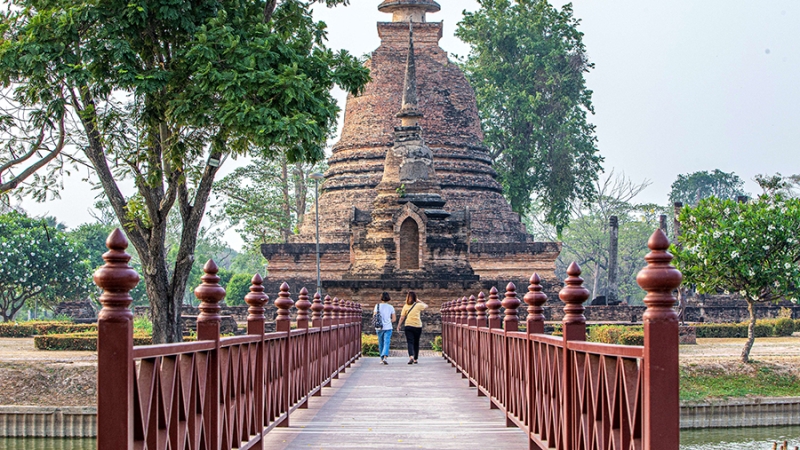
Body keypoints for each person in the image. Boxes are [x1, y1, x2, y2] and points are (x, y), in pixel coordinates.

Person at [396, 291, 427, 365]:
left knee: (410, 342)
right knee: (416, 342)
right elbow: (426, 306)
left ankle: (411, 357)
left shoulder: (405, 306)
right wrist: (418, 300)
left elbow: (402, 317)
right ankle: (415, 359)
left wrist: (398, 325)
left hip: (408, 326)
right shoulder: (418, 305)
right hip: (418, 326)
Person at [373, 292, 396, 365]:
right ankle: (385, 357)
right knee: (387, 342)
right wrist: (388, 321)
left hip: (379, 327)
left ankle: (382, 358)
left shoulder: (377, 306)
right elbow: (394, 319)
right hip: (388, 327)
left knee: (381, 343)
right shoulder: (391, 307)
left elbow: (374, 316)